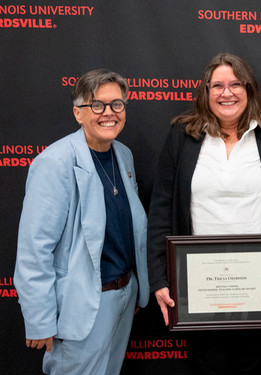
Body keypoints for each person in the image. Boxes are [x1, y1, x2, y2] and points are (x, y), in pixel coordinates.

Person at [147, 53, 261, 374]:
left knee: (255, 364)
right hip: (198, 285)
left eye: (236, 84)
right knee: (208, 364)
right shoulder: (182, 136)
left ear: (249, 90)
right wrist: (159, 277)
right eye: (217, 85)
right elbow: (161, 211)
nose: (227, 92)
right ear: (205, 92)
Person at [13, 68, 150, 375]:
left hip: (124, 296)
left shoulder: (122, 155)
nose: (109, 113)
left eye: (117, 104)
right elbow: (34, 251)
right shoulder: (54, 162)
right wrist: (39, 320)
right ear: (78, 113)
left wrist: (136, 290)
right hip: (81, 306)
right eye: (97, 105)